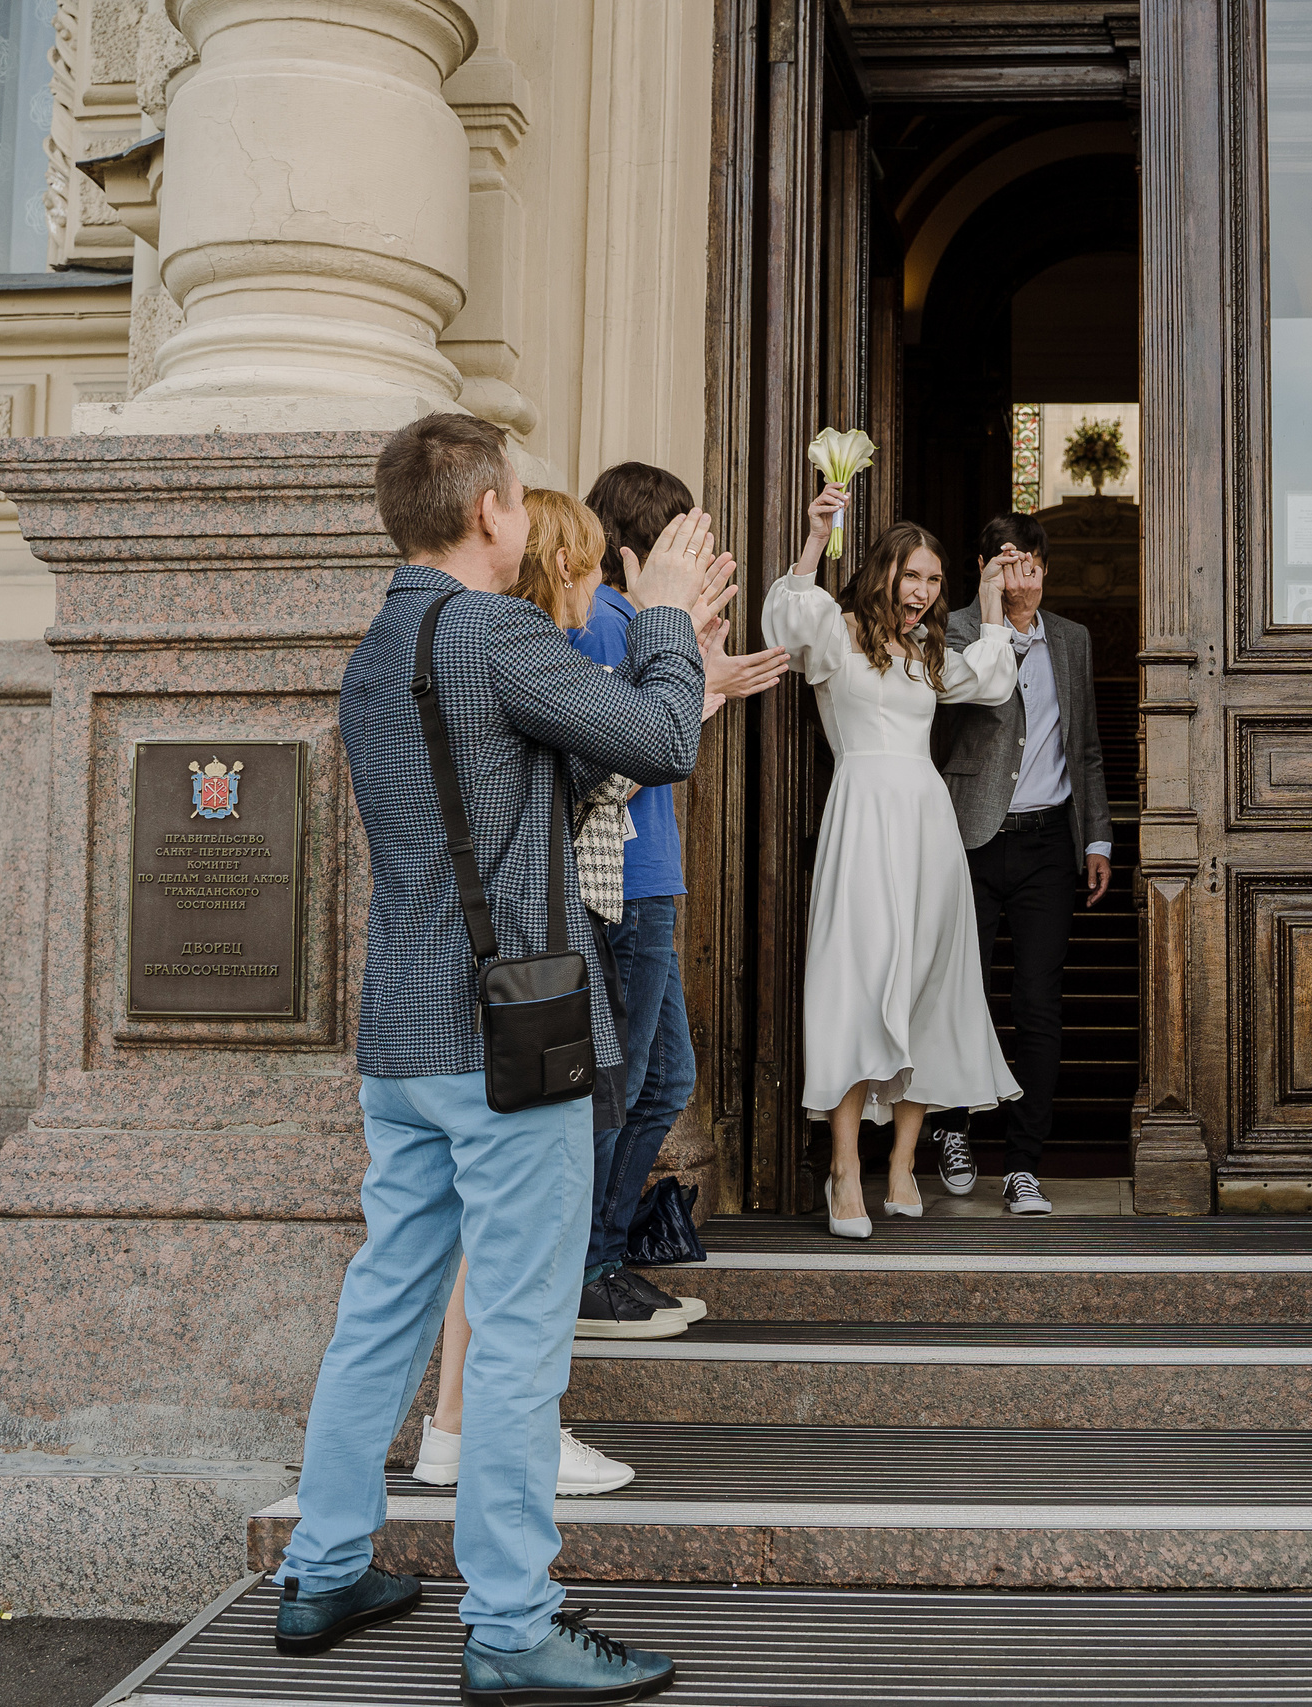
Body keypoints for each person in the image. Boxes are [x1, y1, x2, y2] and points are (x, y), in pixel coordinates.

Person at [275, 413, 708, 1702]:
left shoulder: (378, 647)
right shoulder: (496, 633)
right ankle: (514, 1625)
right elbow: (660, 743)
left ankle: (323, 1565)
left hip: (404, 1034)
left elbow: (534, 779)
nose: (526, 518)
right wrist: (668, 614)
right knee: (519, 1334)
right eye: (519, 498)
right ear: (487, 513)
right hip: (511, 1032)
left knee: (383, 1304)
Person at [410, 487, 763, 1501]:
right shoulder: (525, 657)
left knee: (479, 1231)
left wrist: (683, 669)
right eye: (589, 566)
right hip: (534, 968)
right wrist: (669, 639)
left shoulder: (459, 649)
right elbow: (619, 769)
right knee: (527, 1218)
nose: (599, 584)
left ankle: (449, 1430)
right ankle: (512, 1439)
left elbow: (599, 772)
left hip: (474, 981)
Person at [762, 481, 1022, 1238]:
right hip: (863, 814)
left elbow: (993, 675)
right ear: (884, 573)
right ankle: (844, 1165)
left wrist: (991, 599)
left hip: (927, 825)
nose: (923, 591)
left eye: (935, 581)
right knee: (855, 979)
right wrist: (815, 536)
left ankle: (904, 1161)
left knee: (928, 985)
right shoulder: (838, 633)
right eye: (914, 575)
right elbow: (786, 615)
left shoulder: (929, 650)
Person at [570, 462, 791, 1315]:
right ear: (640, 549)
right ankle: (588, 1268)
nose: (701, 569)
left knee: (664, 1081)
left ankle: (605, 1247)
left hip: (651, 879)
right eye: (687, 549)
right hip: (622, 886)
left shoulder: (637, 625)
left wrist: (704, 675)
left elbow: (656, 740)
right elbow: (615, 754)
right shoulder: (602, 624)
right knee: (625, 1084)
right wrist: (701, 676)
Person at [918, 512, 1113, 1215]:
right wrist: (997, 614)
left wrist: (1097, 837)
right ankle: (952, 1126)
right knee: (956, 992)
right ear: (981, 566)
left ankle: (1024, 1164)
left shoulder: (1073, 639)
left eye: (1030, 557)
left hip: (1045, 847)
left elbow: (1084, 743)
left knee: (1037, 1004)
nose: (1021, 569)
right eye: (1006, 557)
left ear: (1046, 566)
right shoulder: (952, 629)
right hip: (967, 837)